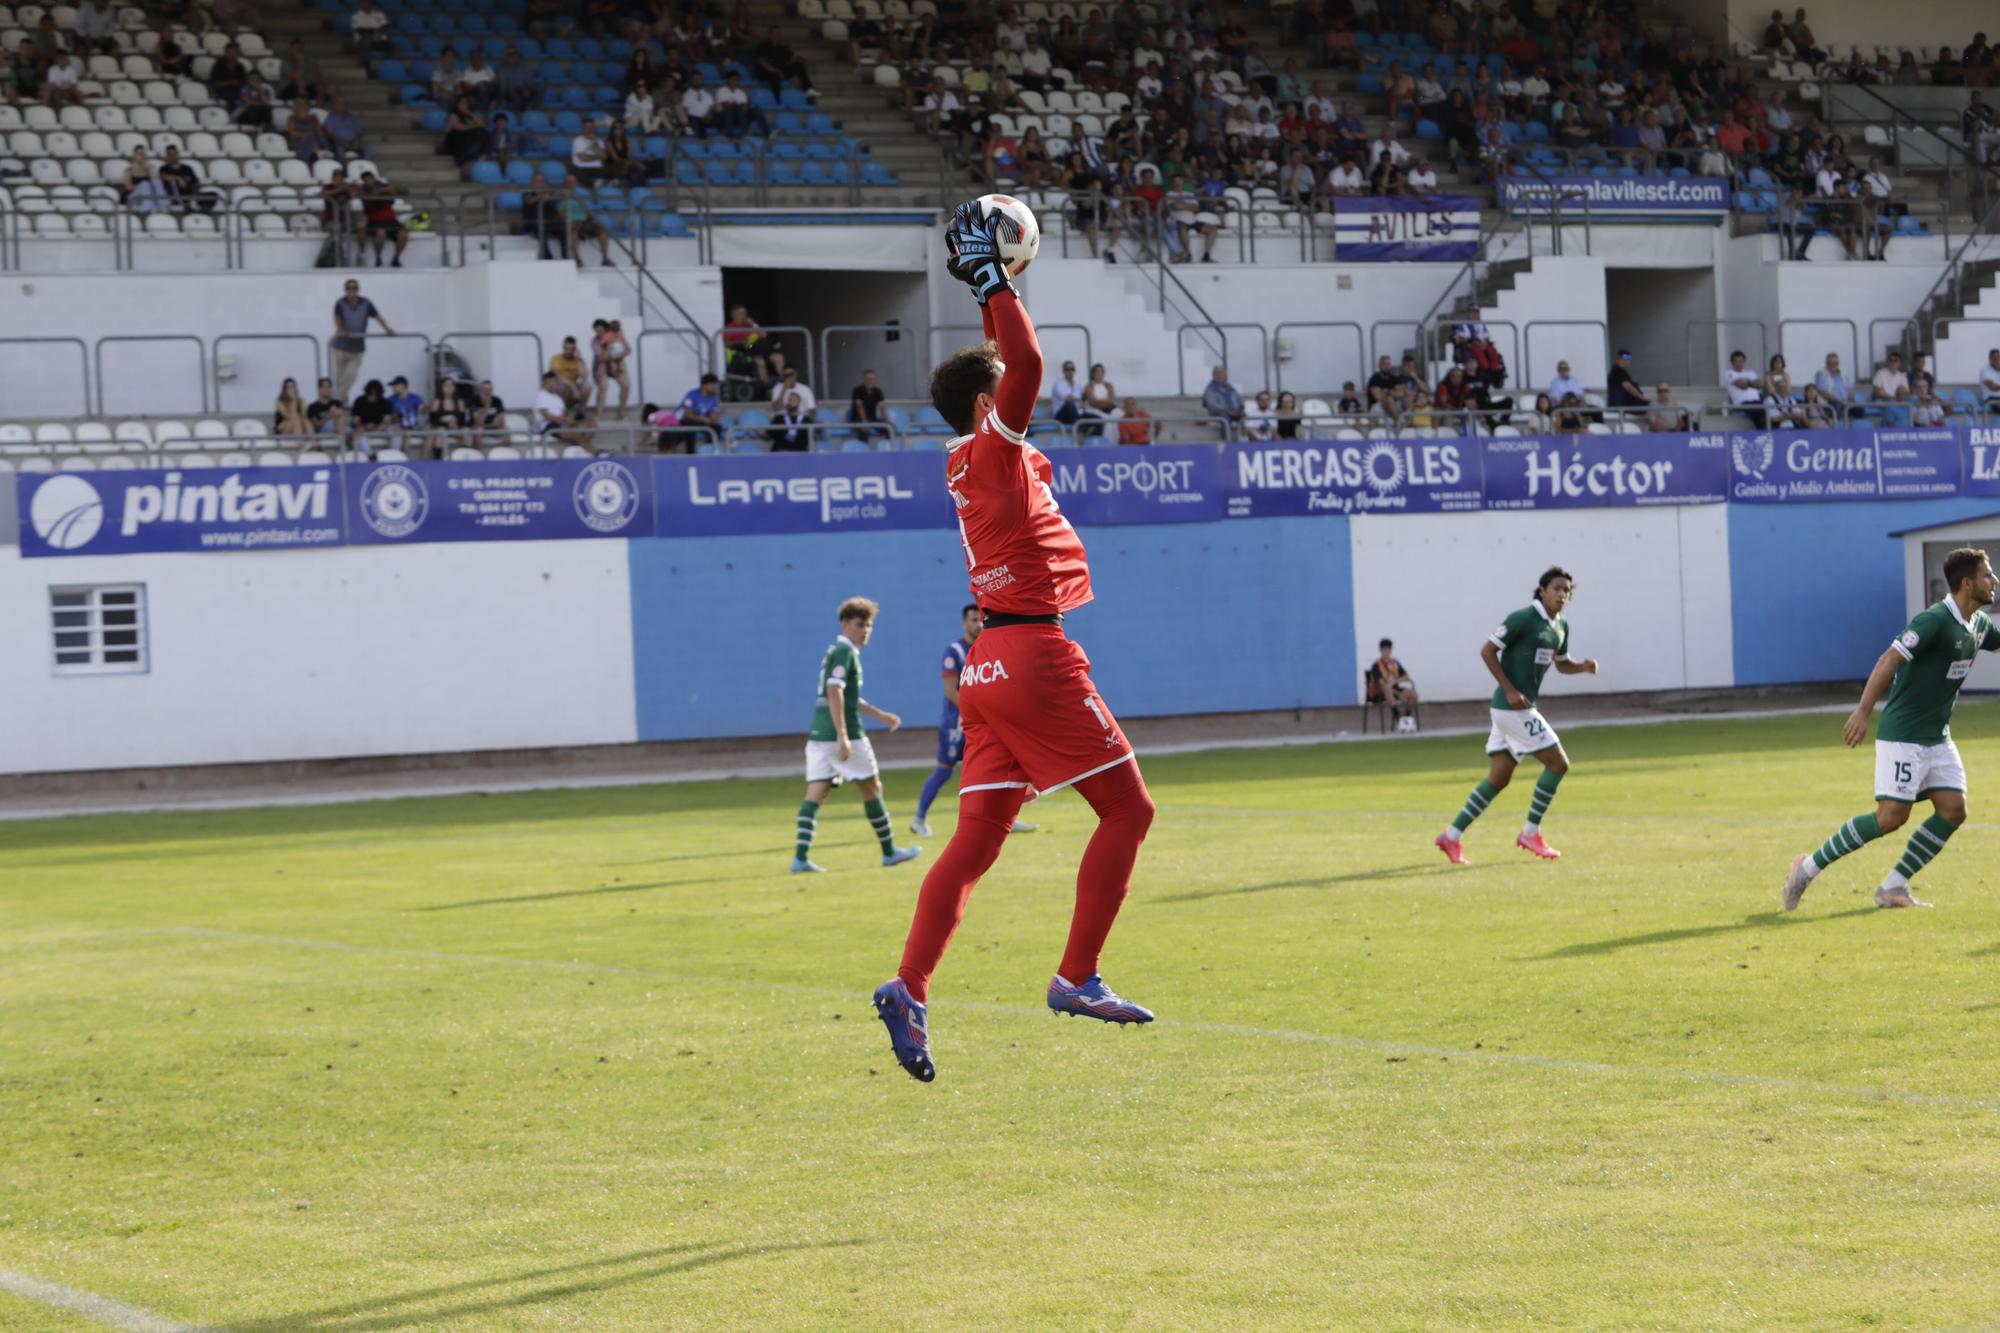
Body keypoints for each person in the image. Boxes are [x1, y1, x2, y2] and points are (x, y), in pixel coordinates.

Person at [873, 202, 1159, 1085]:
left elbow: (994, 373)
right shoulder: (995, 447)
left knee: (976, 842)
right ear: (991, 403)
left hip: (989, 666)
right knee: (1130, 812)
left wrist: (982, 296)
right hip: (1032, 656)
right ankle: (1077, 975)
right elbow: (1023, 361)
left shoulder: (967, 456)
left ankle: (910, 985)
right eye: (1004, 388)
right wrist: (992, 281)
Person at [1784, 548, 2000, 911]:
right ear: (1967, 583)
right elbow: (1889, 659)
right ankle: (1806, 868)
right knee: (1890, 818)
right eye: (1988, 575)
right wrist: (1862, 712)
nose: (1994, 581)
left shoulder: (1978, 624)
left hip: (1938, 738)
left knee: (1953, 809)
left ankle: (1894, 886)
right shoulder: (1933, 621)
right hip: (1904, 737)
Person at [1435, 566, 1601, 865]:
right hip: (1512, 708)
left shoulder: (1560, 626)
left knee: (1498, 778)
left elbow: (1562, 664)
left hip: (1518, 708)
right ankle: (1530, 833)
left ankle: (1451, 836)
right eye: (1556, 589)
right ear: (1542, 590)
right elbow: (1487, 651)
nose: (1562, 594)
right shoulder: (1523, 618)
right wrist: (1510, 690)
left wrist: (1582, 667)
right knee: (1559, 763)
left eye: (1567, 590)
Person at [792, 597, 920, 873]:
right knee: (872, 787)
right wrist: (843, 735)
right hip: (842, 732)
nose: (865, 630)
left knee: (817, 791)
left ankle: (799, 859)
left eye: (869, 625)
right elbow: (834, 691)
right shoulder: (844, 652)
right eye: (860, 624)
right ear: (845, 624)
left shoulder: (839, 651)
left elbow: (848, 697)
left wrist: (880, 715)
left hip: (818, 734)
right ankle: (890, 852)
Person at [911, 604, 1042, 838]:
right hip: (957, 724)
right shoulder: (954, 652)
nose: (978, 624)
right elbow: (950, 691)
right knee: (944, 771)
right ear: (964, 623)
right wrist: (978, 712)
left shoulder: (988, 648)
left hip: (985, 723)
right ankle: (919, 819)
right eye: (973, 620)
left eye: (980, 619)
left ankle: (1007, 818)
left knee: (1001, 766)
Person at [331, 280, 393, 402]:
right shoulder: (340, 303)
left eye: (354, 288)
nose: (351, 291)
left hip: (357, 349)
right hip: (340, 347)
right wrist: (340, 329)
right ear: (345, 290)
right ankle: (342, 405)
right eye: (348, 288)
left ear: (358, 290)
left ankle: (335, 400)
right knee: (340, 379)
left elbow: (377, 316)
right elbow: (337, 317)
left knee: (351, 375)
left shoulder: (366, 303)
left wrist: (387, 329)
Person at [356, 173, 409, 267]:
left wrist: (391, 189)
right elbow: (369, 194)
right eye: (366, 179)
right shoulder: (363, 189)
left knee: (403, 233)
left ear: (374, 179)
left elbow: (405, 192)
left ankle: (396, 258)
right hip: (374, 221)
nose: (368, 181)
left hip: (390, 220)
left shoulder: (384, 187)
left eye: (370, 178)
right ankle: (378, 258)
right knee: (381, 232)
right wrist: (384, 190)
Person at [1365, 638, 1419, 728]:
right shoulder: (1376, 665)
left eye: (1388, 649)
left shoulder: (1395, 663)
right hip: (1380, 693)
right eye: (1384, 649)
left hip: (1394, 689)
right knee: (1387, 688)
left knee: (1414, 695)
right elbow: (1381, 683)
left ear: (1391, 650)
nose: (1386, 652)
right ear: (1380, 650)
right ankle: (1397, 717)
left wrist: (1396, 681)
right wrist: (1398, 694)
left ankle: (1405, 718)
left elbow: (1406, 676)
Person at [668, 372, 724, 451]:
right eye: (712, 384)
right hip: (682, 420)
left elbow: (713, 415)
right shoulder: (692, 395)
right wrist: (702, 419)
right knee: (690, 429)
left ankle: (708, 451)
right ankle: (690, 454)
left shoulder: (714, 398)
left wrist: (716, 416)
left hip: (699, 421)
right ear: (704, 385)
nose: (714, 387)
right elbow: (688, 414)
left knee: (716, 428)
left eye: (715, 385)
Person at [549, 336, 589, 411]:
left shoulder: (579, 361)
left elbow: (584, 378)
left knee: (587, 387)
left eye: (570, 349)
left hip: (573, 392)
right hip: (561, 389)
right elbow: (559, 377)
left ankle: (580, 413)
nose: (567, 351)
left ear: (574, 349)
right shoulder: (556, 359)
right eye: (566, 349)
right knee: (563, 386)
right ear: (563, 347)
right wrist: (573, 388)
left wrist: (578, 360)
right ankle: (563, 411)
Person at [847, 369, 888, 442]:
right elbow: (860, 407)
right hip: (858, 418)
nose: (870, 381)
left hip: (872, 418)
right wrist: (864, 421)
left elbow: (882, 407)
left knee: (889, 428)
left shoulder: (878, 391)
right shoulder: (857, 390)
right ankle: (864, 450)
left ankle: (890, 449)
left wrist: (886, 420)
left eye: (873, 379)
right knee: (864, 429)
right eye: (868, 379)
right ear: (864, 379)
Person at [1202, 364, 1244, 429]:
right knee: (1225, 418)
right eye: (1217, 373)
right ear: (1213, 375)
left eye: (1221, 373)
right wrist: (1227, 410)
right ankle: (1228, 438)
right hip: (1221, 414)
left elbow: (1240, 401)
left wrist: (1240, 409)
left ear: (1225, 374)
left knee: (1248, 417)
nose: (1219, 375)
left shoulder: (1231, 388)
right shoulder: (1210, 389)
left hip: (1235, 412)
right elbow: (1212, 406)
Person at [1606, 350, 1647, 414]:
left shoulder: (1622, 371)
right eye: (1624, 359)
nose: (1626, 361)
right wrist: (1642, 398)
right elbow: (1628, 387)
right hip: (1620, 406)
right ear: (1618, 359)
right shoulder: (1617, 370)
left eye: (1628, 359)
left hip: (1623, 405)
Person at [1049, 360, 1083, 426]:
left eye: (1072, 369)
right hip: (1060, 415)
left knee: (1094, 416)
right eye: (1067, 369)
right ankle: (1081, 428)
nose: (1070, 371)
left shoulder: (1078, 385)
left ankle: (1093, 432)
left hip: (1076, 414)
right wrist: (1078, 400)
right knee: (1069, 404)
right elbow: (1068, 398)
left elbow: (1081, 401)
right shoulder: (1058, 384)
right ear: (1063, 371)